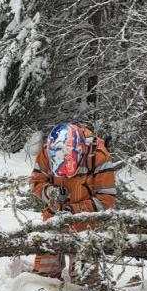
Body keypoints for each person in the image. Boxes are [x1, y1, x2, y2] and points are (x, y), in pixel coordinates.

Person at [29, 120, 117, 282]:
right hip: (54, 219)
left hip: (87, 224)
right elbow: (36, 181)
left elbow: (107, 199)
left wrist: (74, 210)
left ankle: (82, 289)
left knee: (84, 280)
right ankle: (45, 290)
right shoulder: (48, 150)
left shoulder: (98, 155)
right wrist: (51, 193)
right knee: (43, 277)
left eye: (68, 162)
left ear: (80, 150)